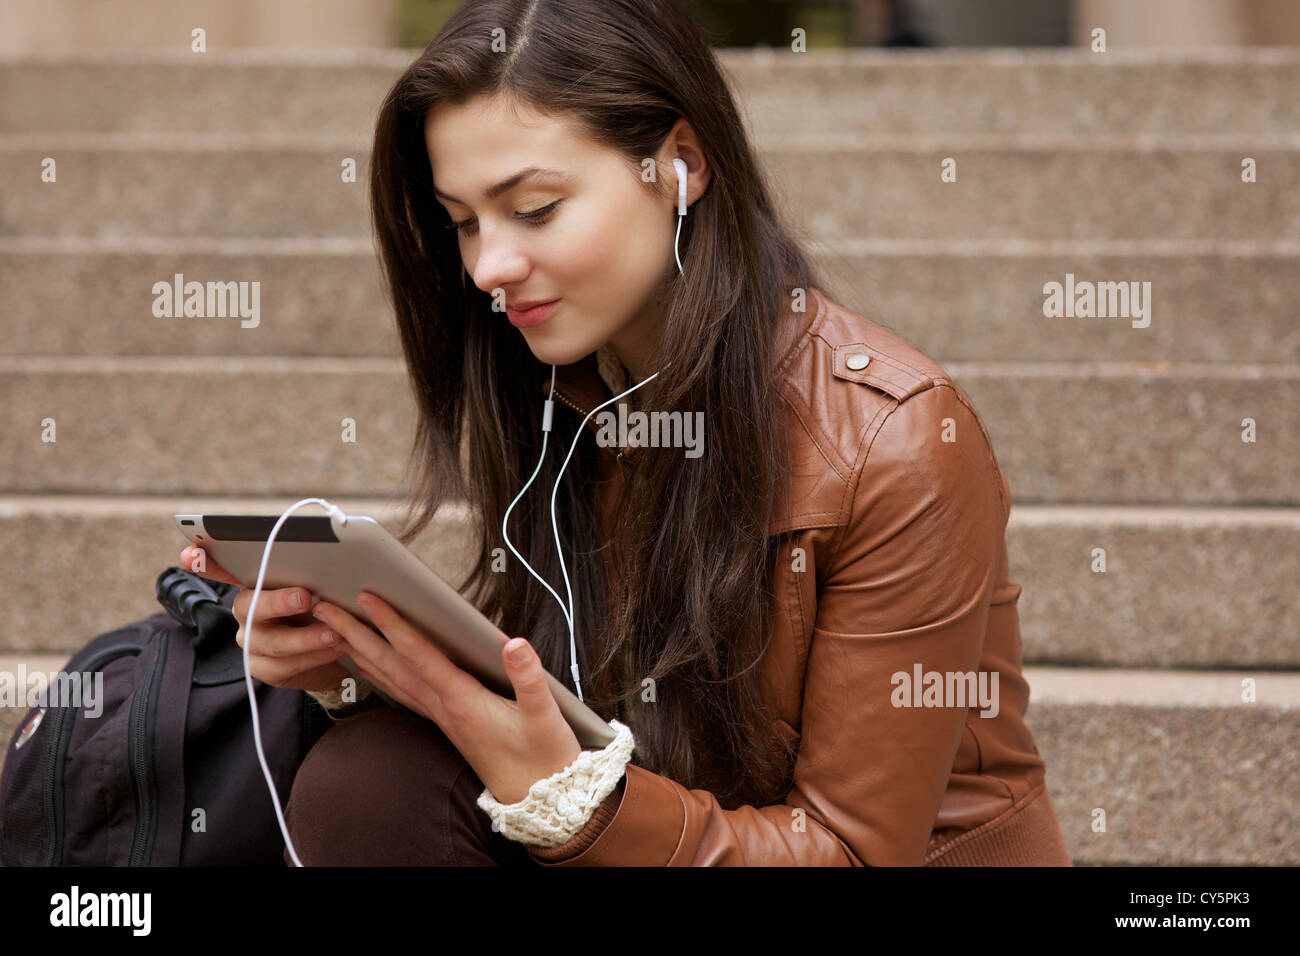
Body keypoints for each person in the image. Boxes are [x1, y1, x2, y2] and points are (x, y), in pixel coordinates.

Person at [183, 0, 1071, 866]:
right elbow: (563, 703)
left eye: (533, 208)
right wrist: (346, 668)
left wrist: (574, 800)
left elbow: (849, 850)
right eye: (463, 222)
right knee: (371, 784)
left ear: (681, 164)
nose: (490, 266)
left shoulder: (895, 443)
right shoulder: (562, 389)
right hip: (655, 831)